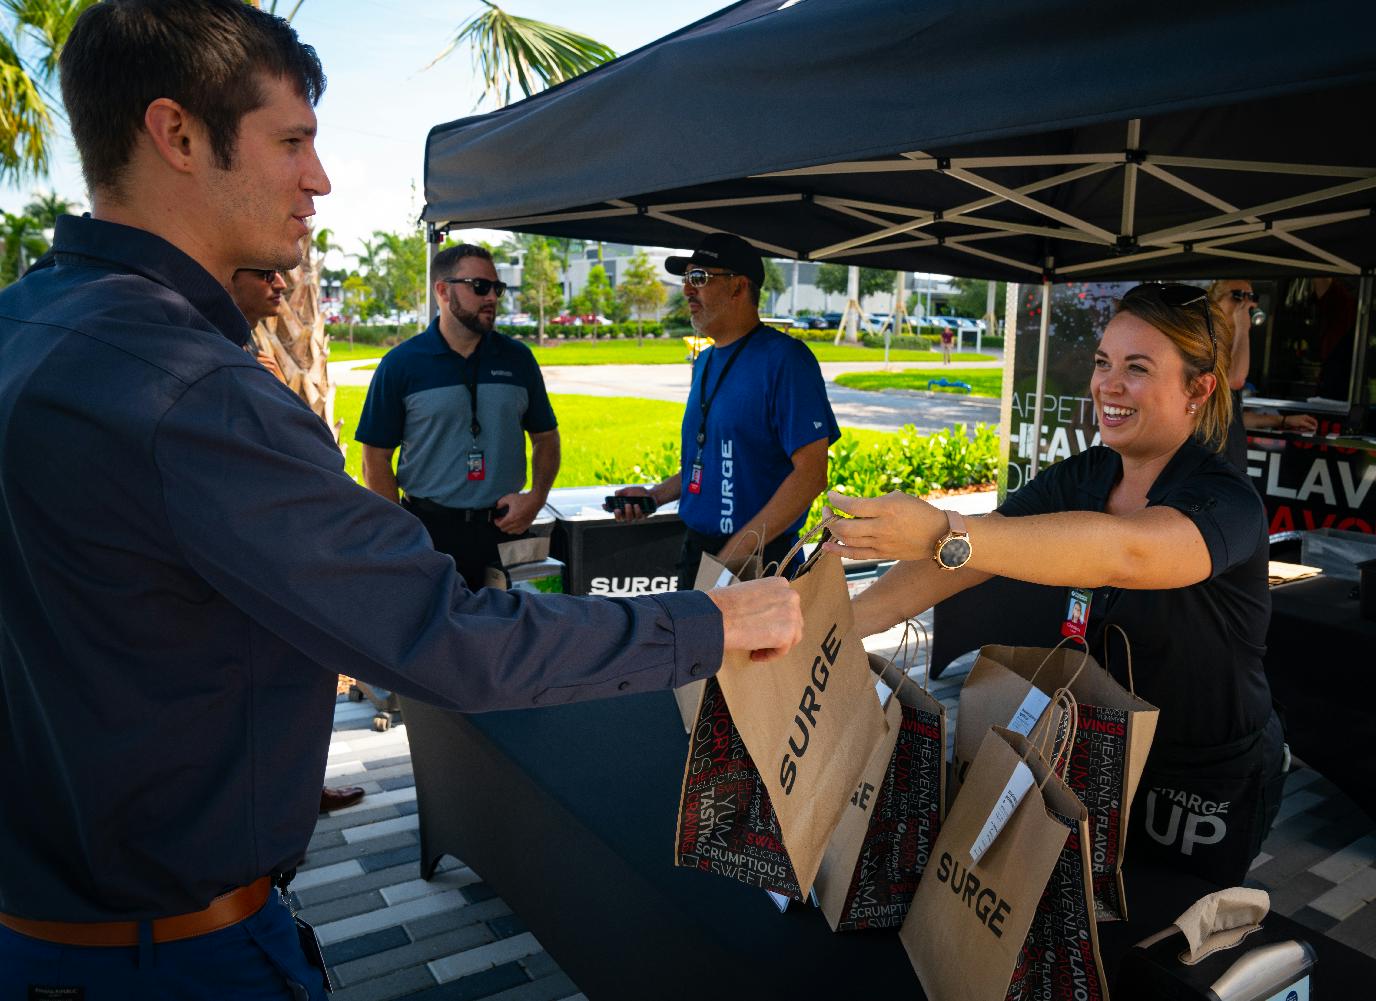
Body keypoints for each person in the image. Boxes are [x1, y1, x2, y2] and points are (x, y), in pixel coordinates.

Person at [0, 4, 798, 998]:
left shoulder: (24, 325)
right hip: (172, 955)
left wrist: (243, 771)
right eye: (292, 141)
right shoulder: (197, 394)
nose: (320, 179)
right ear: (178, 135)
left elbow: (96, 624)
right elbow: (449, 637)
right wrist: (708, 622)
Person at [825, 282, 1287, 895]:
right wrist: (844, 625)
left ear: (1199, 389)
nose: (1108, 386)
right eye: (1103, 363)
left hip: (1203, 778)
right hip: (1102, 758)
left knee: (1162, 939)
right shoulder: (1090, 473)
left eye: (1138, 369)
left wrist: (943, 529)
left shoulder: (1225, 499)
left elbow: (1126, 552)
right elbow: (970, 556)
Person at [613, 233, 840, 584]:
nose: (687, 290)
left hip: (760, 562)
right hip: (701, 553)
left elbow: (811, 475)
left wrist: (734, 555)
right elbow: (709, 460)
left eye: (699, 278)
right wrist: (654, 496)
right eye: (686, 279)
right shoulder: (704, 360)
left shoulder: (786, 361)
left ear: (738, 287)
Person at [230, 265, 366, 815]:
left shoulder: (245, 350)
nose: (282, 285)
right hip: (246, 561)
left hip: (289, 553)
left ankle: (298, 788)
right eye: (264, 274)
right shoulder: (202, 354)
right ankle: (268, 811)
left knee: (298, 682)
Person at [356, 243, 559, 590]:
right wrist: (403, 531)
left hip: (504, 528)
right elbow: (374, 458)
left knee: (508, 637)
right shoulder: (402, 364)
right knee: (435, 637)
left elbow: (546, 438)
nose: (492, 297)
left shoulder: (517, 359)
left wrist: (536, 499)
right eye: (480, 287)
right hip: (430, 531)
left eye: (497, 288)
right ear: (442, 290)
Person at [1208, 279, 1317, 470]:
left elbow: (1233, 417)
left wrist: (1282, 421)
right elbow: (1235, 380)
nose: (1246, 303)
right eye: (1237, 296)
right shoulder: (1204, 342)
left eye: (1252, 297)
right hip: (1208, 462)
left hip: (1231, 463)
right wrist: (1243, 328)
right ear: (1214, 303)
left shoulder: (1234, 346)